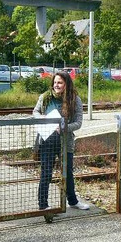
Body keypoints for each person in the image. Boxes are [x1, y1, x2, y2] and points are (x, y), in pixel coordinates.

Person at [34, 71, 90, 211]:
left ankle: (73, 201)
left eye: (60, 83)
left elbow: (78, 123)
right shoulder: (45, 97)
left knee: (67, 172)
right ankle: (43, 204)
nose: (56, 85)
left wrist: (64, 127)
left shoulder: (74, 99)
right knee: (46, 172)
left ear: (66, 84)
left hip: (65, 141)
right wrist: (42, 117)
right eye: (55, 82)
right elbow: (35, 112)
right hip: (47, 140)